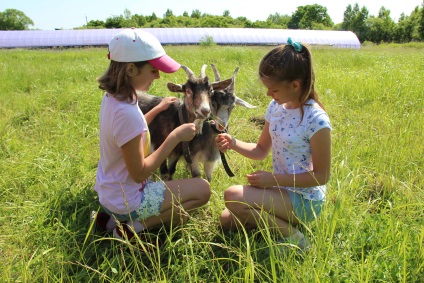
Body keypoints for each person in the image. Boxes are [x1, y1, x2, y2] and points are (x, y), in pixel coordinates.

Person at [92, 28, 211, 245]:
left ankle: (109, 220)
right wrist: (174, 136)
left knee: (181, 211)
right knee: (202, 191)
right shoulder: (126, 112)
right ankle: (130, 229)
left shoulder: (115, 99)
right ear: (130, 69)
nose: (158, 76)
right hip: (128, 198)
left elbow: (131, 133)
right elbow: (139, 173)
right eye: (153, 70)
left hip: (109, 191)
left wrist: (158, 108)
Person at [215, 38, 332, 253]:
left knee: (233, 196)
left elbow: (322, 176)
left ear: (295, 85)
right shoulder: (275, 108)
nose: (268, 94)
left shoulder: (316, 120)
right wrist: (232, 143)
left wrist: (272, 179)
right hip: (281, 191)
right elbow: (261, 151)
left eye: (273, 90)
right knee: (227, 219)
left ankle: (296, 239)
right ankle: (279, 224)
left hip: (306, 200)